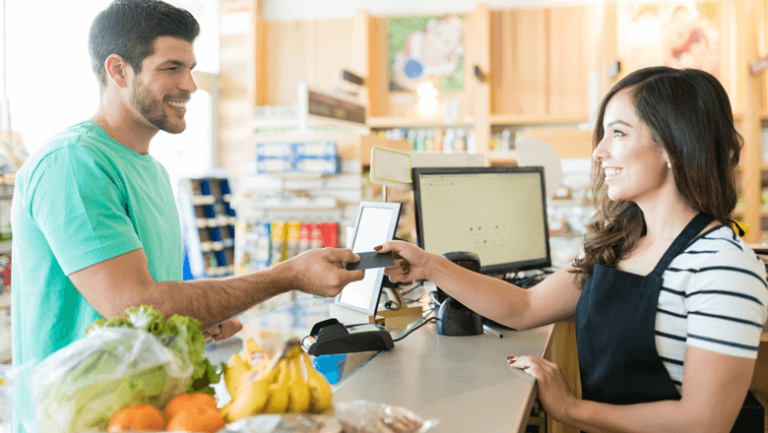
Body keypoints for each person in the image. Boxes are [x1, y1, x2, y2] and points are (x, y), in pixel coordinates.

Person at [378, 66, 768, 432]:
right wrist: (429, 265)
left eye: (617, 133)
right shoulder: (623, 243)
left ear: (673, 145)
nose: (598, 152)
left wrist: (569, 409)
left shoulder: (723, 265)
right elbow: (524, 307)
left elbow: (704, 422)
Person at [10, 0, 364, 369]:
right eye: (171, 68)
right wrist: (286, 276)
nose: (191, 85)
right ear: (118, 71)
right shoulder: (73, 163)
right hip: (74, 417)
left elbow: (156, 310)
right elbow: (135, 306)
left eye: (191, 68)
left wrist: (200, 317)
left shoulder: (154, 172)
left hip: (145, 410)